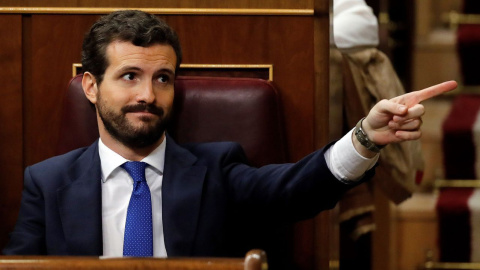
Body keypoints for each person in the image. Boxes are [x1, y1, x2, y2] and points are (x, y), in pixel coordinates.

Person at [3, 9, 456, 264]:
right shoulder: (46, 182)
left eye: (163, 78)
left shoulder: (216, 169)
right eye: (129, 76)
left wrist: (366, 137)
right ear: (90, 86)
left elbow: (298, 188)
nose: (148, 94)